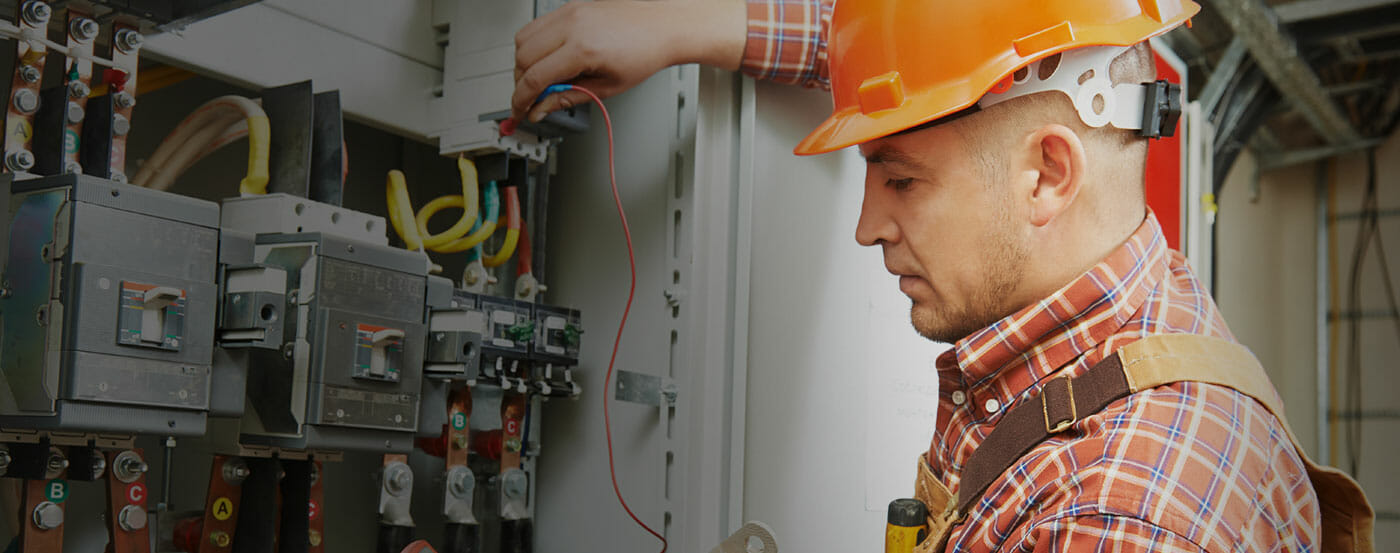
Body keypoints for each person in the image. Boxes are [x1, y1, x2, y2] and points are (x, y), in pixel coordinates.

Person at [513, 1, 1373, 551]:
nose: (866, 226)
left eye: (900, 180)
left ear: (1047, 173)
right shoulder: (1145, 296)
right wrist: (677, 24)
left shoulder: (1116, 520)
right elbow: (916, 66)